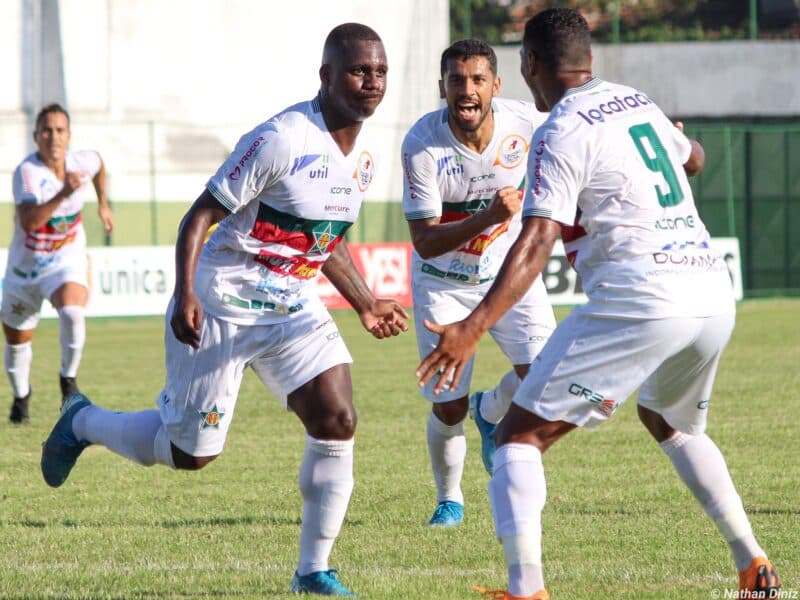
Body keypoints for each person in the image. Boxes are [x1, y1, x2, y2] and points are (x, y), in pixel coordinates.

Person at [416, 9, 780, 599]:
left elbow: (536, 243)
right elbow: (695, 159)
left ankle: (526, 589)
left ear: (530, 65)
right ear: (590, 59)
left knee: (517, 438)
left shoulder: (560, 130)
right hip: (713, 291)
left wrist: (473, 327)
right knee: (669, 422)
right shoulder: (635, 101)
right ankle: (752, 562)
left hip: (642, 294)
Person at [41, 23, 407, 597]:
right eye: (360, 70)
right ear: (327, 76)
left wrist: (362, 302)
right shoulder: (282, 138)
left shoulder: (365, 157)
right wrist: (187, 294)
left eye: (380, 71)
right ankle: (81, 421)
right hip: (224, 300)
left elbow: (321, 238)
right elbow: (198, 218)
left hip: (290, 307)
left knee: (338, 419)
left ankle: (313, 571)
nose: (372, 82)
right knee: (189, 454)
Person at [401, 39, 555, 528]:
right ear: (442, 86)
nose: (466, 90)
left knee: (546, 377)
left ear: (496, 85)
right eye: (456, 80)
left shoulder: (525, 123)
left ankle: (489, 410)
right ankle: (450, 499)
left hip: (509, 275)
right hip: (442, 283)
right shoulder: (422, 144)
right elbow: (425, 241)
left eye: (477, 80)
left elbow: (580, 136)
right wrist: (489, 214)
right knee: (447, 407)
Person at [3, 103, 114, 423]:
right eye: (47, 131)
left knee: (72, 311)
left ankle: (68, 380)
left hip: (64, 261)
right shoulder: (27, 173)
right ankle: (21, 396)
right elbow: (30, 223)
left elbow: (100, 164)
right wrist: (64, 192)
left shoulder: (83, 161)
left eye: (60, 131)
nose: (54, 137)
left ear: (69, 136)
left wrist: (103, 205)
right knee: (16, 343)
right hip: (24, 270)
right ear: (36, 136)